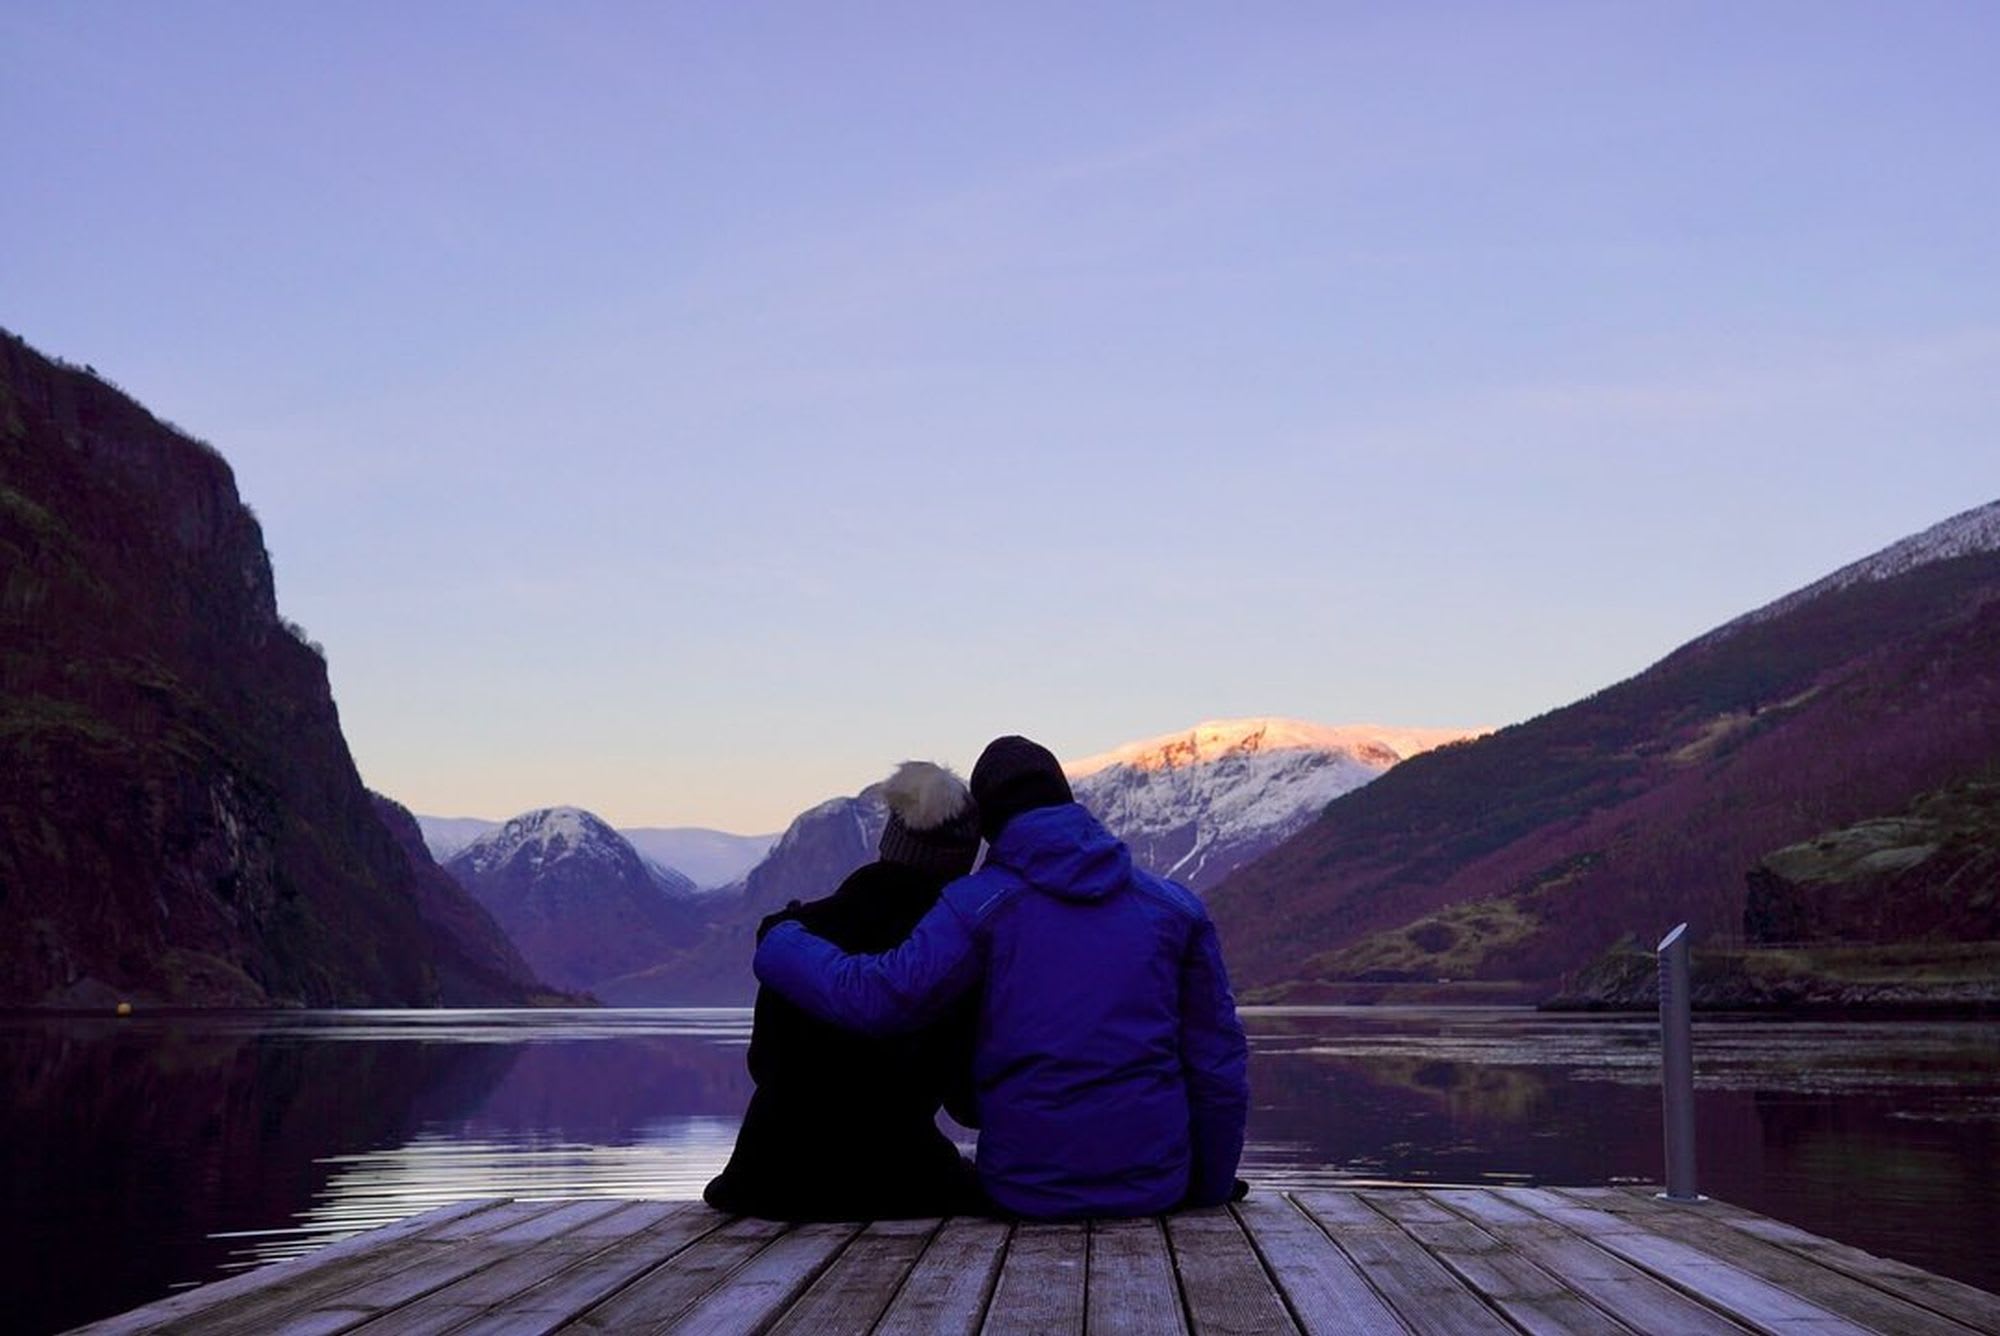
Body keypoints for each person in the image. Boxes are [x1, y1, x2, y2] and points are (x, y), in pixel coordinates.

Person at [755, 734, 1250, 1219]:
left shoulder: (977, 906)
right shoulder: (1175, 908)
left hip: (1026, 1190)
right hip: (1154, 1187)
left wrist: (780, 941)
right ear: (1068, 801)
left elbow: (879, 998)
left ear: (988, 826)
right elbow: (1218, 1066)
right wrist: (1209, 1189)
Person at [704, 761, 986, 1220]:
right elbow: (965, 1100)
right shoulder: (949, 956)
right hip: (895, 1179)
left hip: (769, 1178)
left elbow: (763, 1062)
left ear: (887, 841)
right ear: (961, 863)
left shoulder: (796, 936)